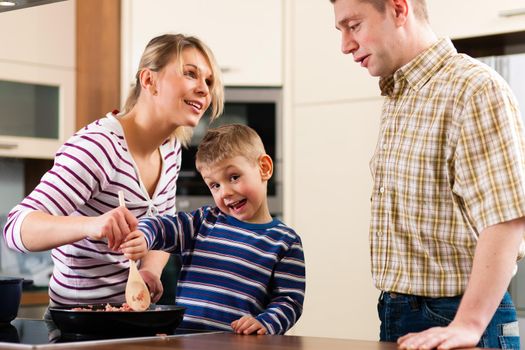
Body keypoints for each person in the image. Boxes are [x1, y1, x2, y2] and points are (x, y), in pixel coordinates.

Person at [330, 0, 525, 349]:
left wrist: (468, 323)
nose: (345, 45)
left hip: (460, 320)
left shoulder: (474, 89)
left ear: (399, 9)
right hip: (398, 312)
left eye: (354, 25)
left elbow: (507, 219)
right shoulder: (398, 95)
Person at [2, 33, 224, 308]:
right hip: (77, 324)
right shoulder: (99, 147)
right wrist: (91, 225)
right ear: (148, 80)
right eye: (191, 74)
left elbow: (163, 223)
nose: (205, 89)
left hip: (131, 316)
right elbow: (16, 228)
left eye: (209, 81)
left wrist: (150, 271)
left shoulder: (169, 149)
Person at [121, 124, 306, 335]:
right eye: (214, 185)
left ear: (264, 168)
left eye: (234, 177)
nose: (225, 192)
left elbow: (289, 301)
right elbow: (160, 225)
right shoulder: (201, 222)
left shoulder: (285, 241)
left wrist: (265, 323)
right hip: (185, 342)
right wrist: (144, 236)